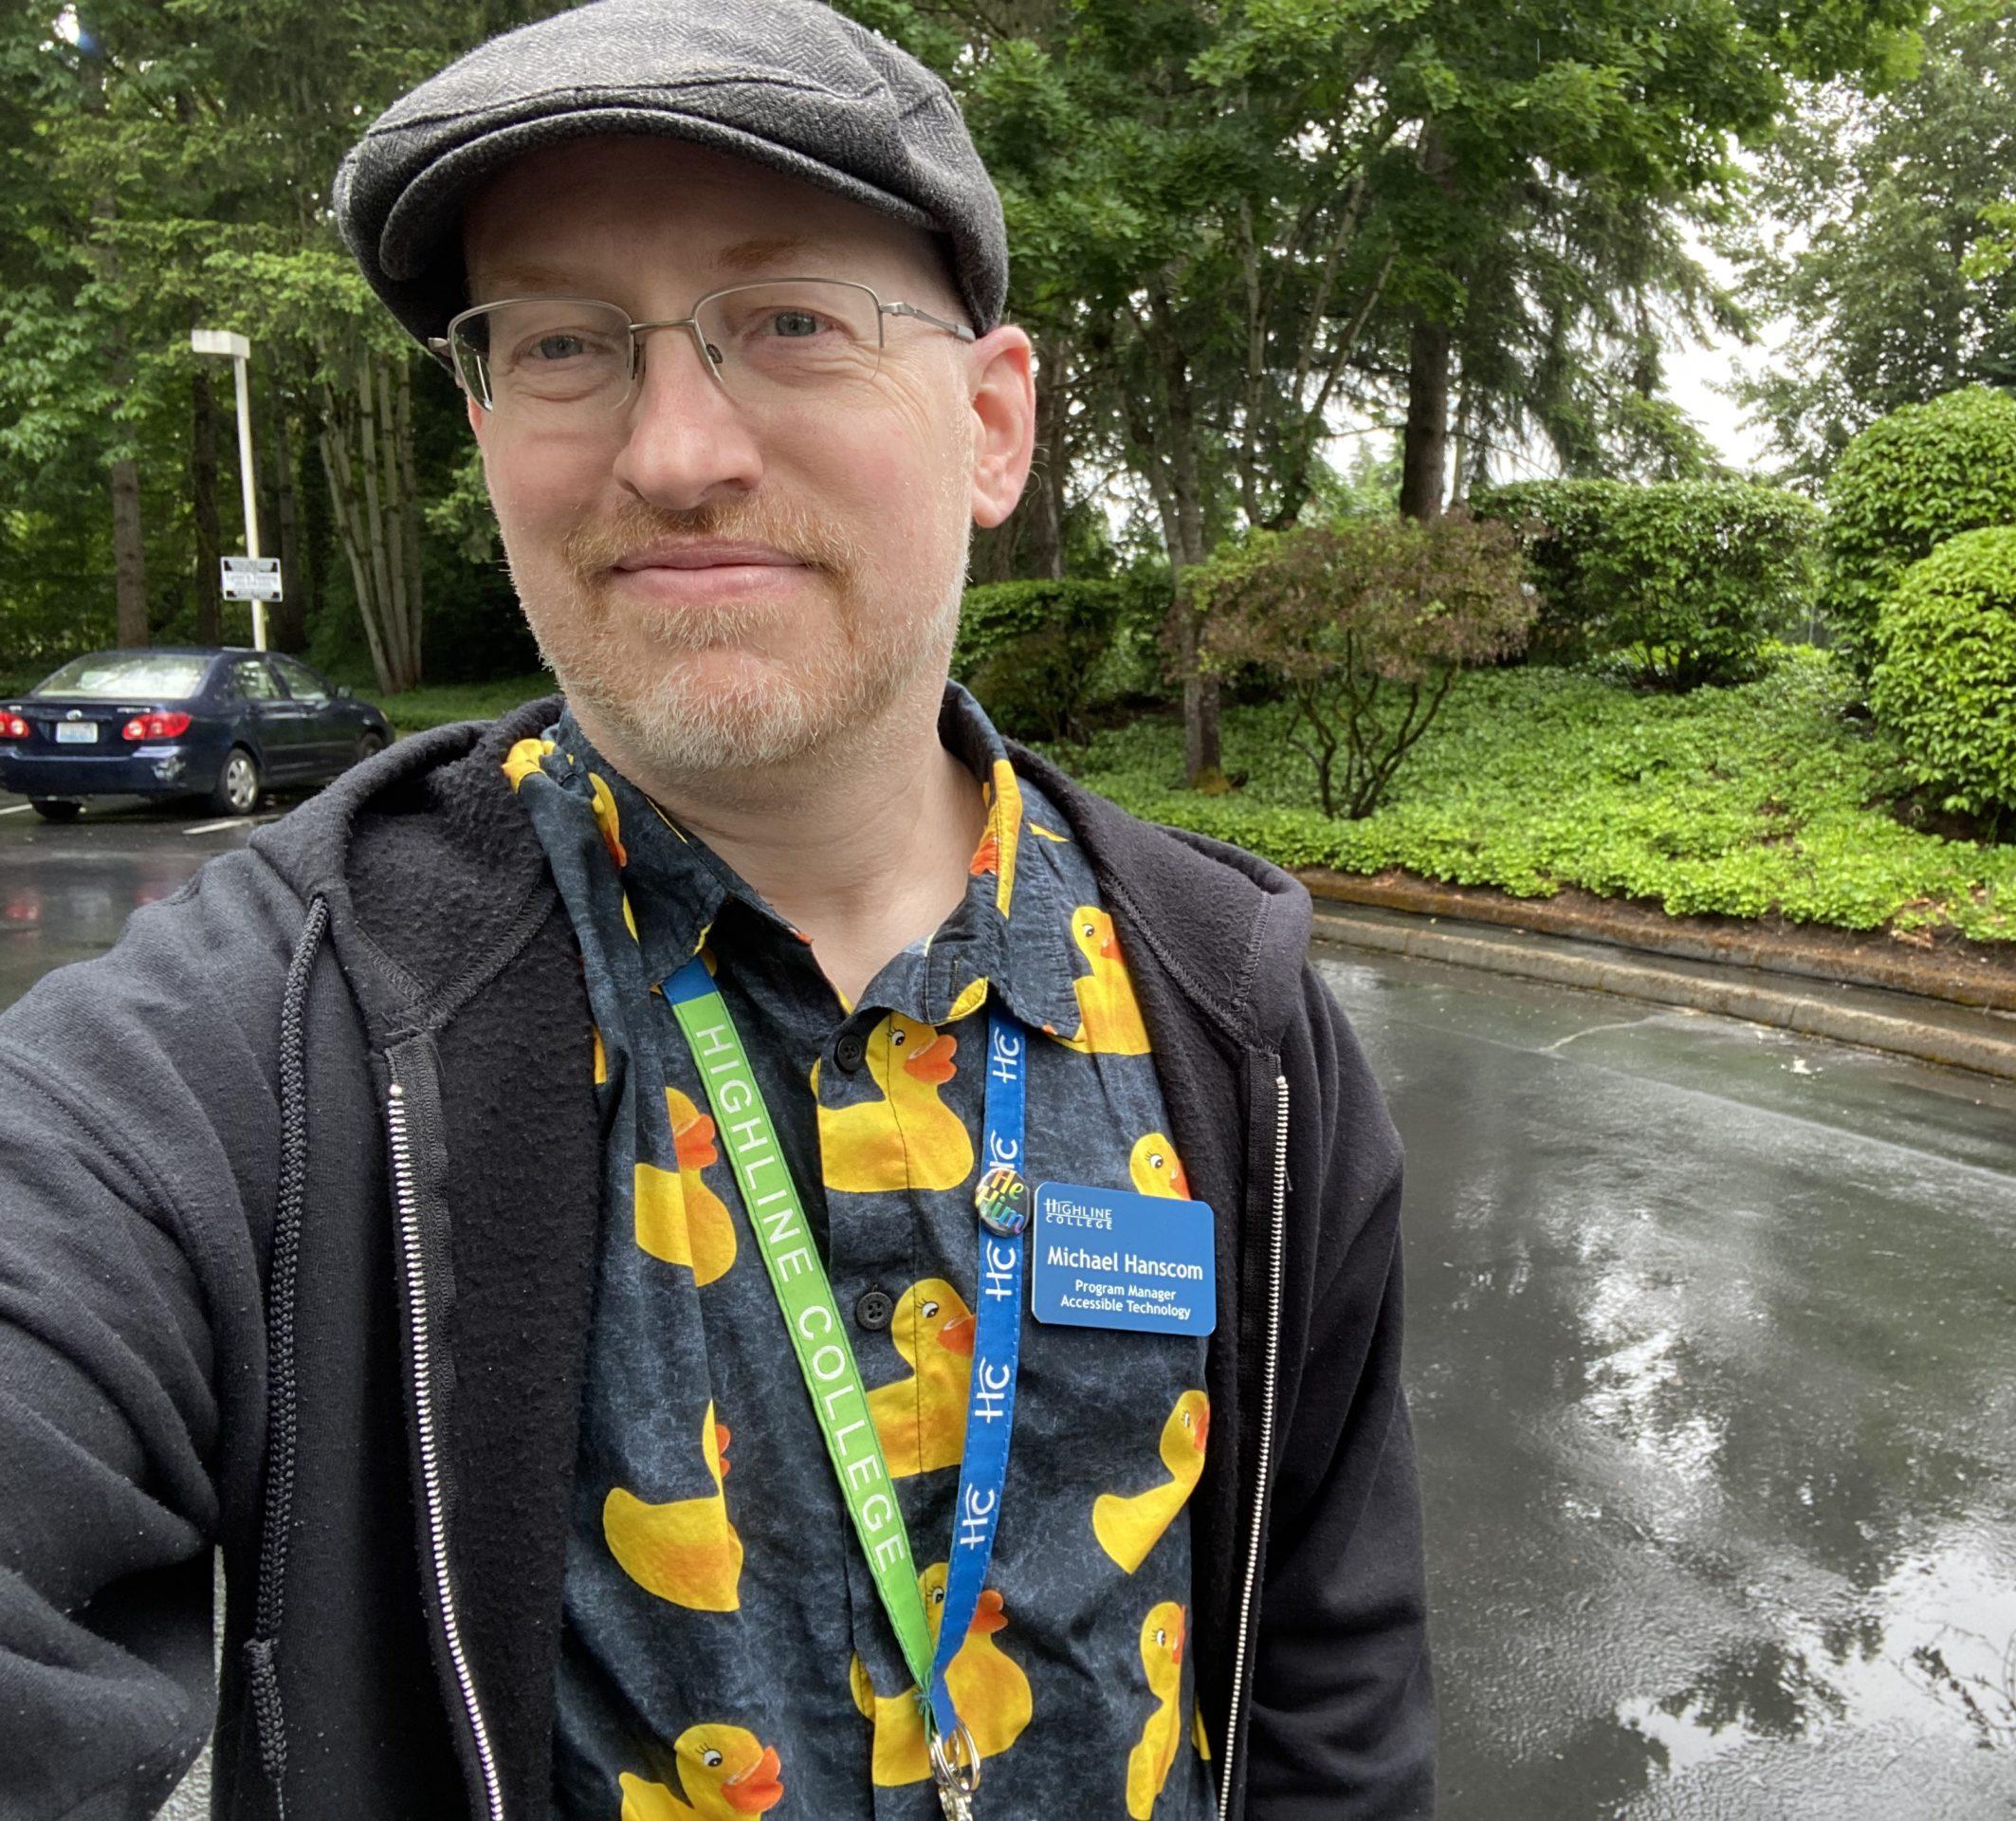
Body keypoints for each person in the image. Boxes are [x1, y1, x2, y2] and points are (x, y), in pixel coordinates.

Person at [0, 3, 1434, 1817]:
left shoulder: (1242, 1028)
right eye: (566, 342)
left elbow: (1333, 1675)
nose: (675, 450)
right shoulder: (264, 1049)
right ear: (488, 414)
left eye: (790, 323)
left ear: (991, 425)